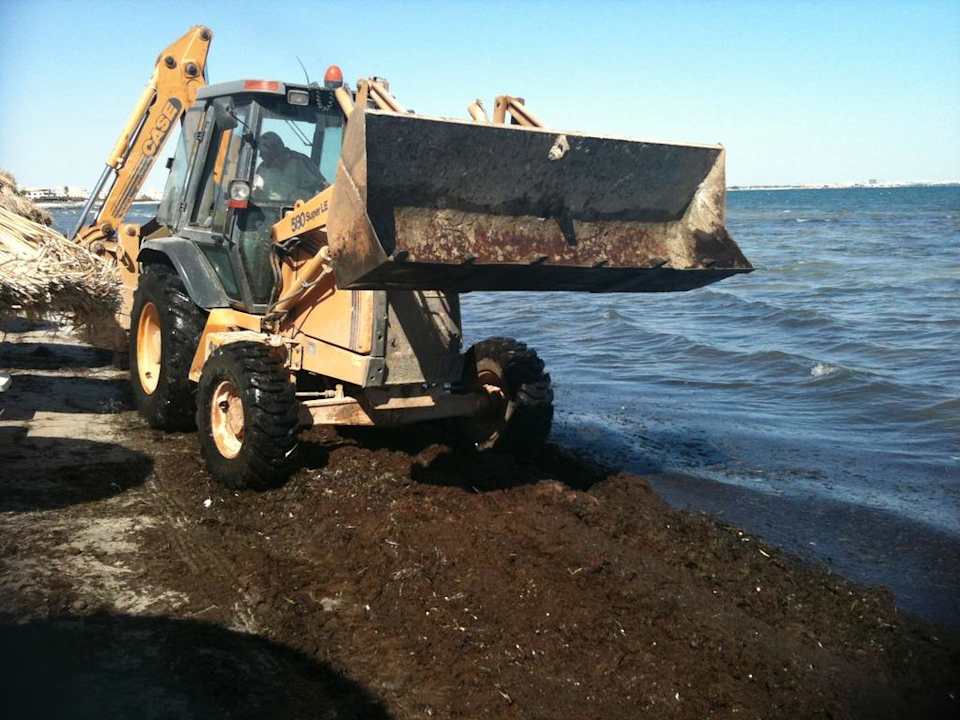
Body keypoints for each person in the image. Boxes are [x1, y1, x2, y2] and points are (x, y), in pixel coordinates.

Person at [253, 131, 325, 201]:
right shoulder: (262, 168)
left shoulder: (300, 161)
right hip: (266, 210)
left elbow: (321, 187)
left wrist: (290, 197)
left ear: (274, 148)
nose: (260, 155)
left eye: (263, 152)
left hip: (297, 210)